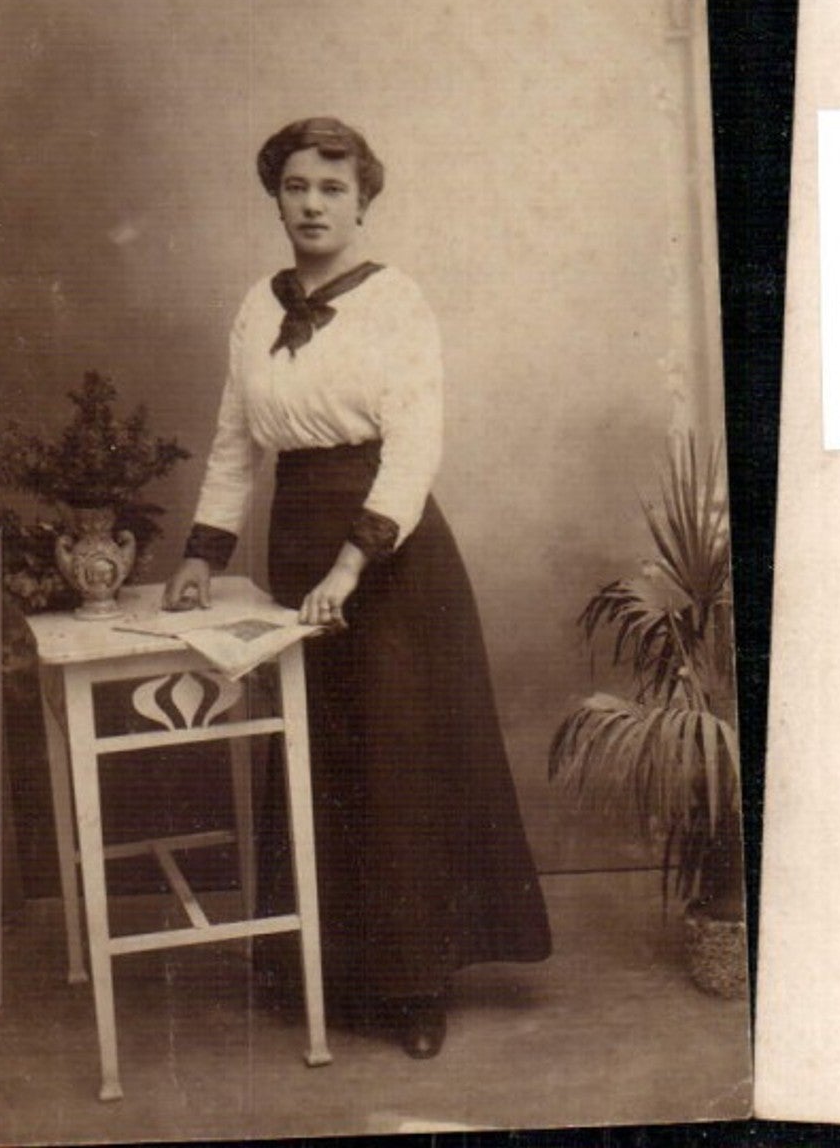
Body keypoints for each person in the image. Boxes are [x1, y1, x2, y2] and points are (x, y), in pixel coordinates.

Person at [164, 116, 551, 1059]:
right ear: (276, 198)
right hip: (296, 543)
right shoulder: (256, 308)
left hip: (390, 558)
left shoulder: (396, 301)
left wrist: (349, 567)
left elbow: (413, 448)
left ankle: (416, 989)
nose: (313, 205)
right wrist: (202, 554)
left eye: (333, 189)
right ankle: (324, 970)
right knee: (320, 760)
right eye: (297, 186)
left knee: (396, 763)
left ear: (362, 202)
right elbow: (235, 444)